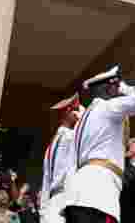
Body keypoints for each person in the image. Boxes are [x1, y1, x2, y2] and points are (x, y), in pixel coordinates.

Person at [63, 65, 135, 223]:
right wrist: (126, 88)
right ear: (109, 88)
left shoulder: (82, 121)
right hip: (99, 197)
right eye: (115, 87)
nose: (117, 91)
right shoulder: (107, 108)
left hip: (76, 196)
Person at [40, 94, 83, 223]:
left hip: (53, 202)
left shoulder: (58, 138)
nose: (79, 115)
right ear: (69, 112)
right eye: (76, 111)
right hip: (63, 199)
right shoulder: (68, 137)